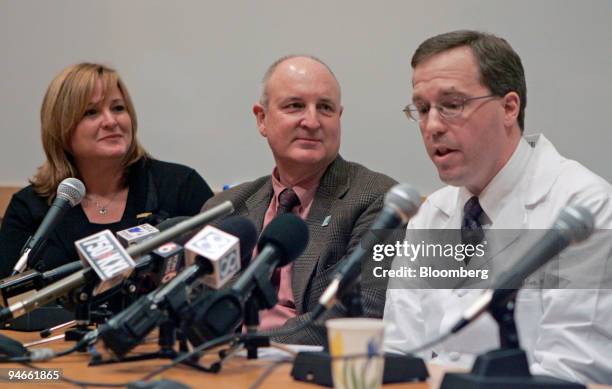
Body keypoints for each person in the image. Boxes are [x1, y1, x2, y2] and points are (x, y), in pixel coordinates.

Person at [383, 30, 612, 384]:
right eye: (423, 108)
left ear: (509, 107)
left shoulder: (585, 208)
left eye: (452, 105)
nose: (431, 126)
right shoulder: (431, 213)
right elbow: (399, 350)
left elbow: (573, 370)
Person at [201, 55, 399, 345]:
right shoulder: (228, 207)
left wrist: (244, 345)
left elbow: (357, 314)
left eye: (325, 108)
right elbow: (199, 300)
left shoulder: (376, 199)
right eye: (295, 106)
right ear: (261, 119)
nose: (312, 121)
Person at [0, 63, 214, 277]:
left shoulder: (181, 186)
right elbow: (12, 295)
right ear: (61, 128)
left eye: (118, 108)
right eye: (91, 112)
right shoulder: (29, 208)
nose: (111, 121)